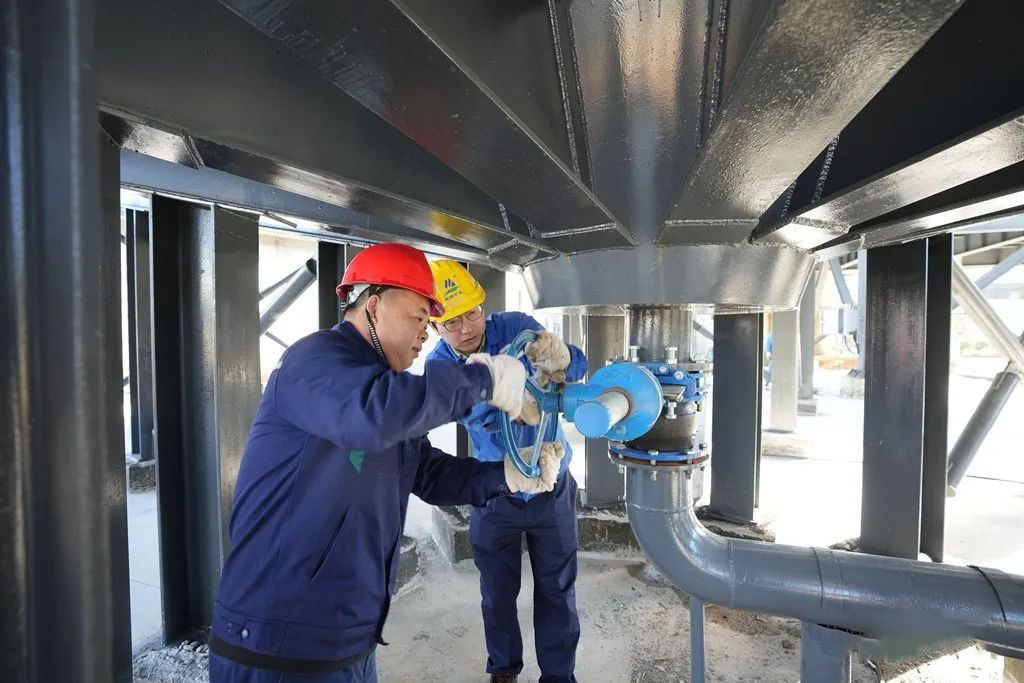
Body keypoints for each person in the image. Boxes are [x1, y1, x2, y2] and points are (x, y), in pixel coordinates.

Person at [208, 244, 566, 683]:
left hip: (349, 641)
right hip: (276, 647)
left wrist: (509, 476)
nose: (425, 334)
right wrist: (484, 379)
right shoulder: (314, 360)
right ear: (374, 306)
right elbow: (373, 415)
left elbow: (428, 473)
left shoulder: (384, 388)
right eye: (419, 318)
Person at [426, 260, 588, 683]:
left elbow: (575, 370)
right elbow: (468, 412)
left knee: (557, 589)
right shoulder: (440, 368)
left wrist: (565, 358)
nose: (466, 328)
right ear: (434, 326)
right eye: (452, 322)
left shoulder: (516, 327)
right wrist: (507, 397)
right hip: (495, 491)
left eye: (472, 313)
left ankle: (558, 677)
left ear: (484, 306)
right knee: (497, 592)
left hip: (551, 484)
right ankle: (503, 668)